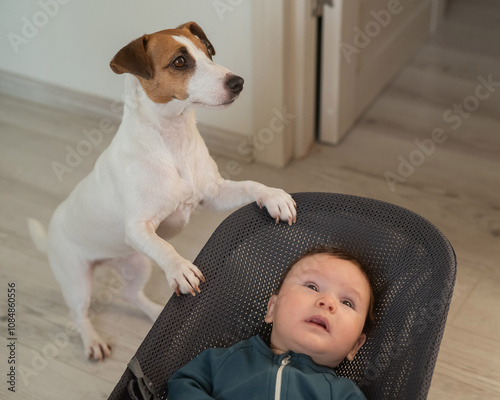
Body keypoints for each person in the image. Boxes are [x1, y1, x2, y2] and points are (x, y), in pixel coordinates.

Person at [167, 246, 375, 399]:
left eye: (347, 302)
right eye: (312, 287)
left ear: (356, 345)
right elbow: (181, 385)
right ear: (272, 308)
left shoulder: (344, 395)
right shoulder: (223, 361)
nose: (328, 302)